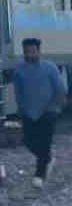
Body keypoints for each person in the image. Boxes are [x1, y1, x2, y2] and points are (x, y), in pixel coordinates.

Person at [13, 37, 67, 188]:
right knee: (29, 141)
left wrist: (59, 104)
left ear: (38, 51)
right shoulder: (19, 70)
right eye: (27, 52)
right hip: (29, 111)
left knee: (44, 142)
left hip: (49, 110)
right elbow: (18, 92)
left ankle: (40, 175)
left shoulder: (49, 67)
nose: (30, 55)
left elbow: (59, 88)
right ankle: (48, 159)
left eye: (33, 52)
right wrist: (20, 107)